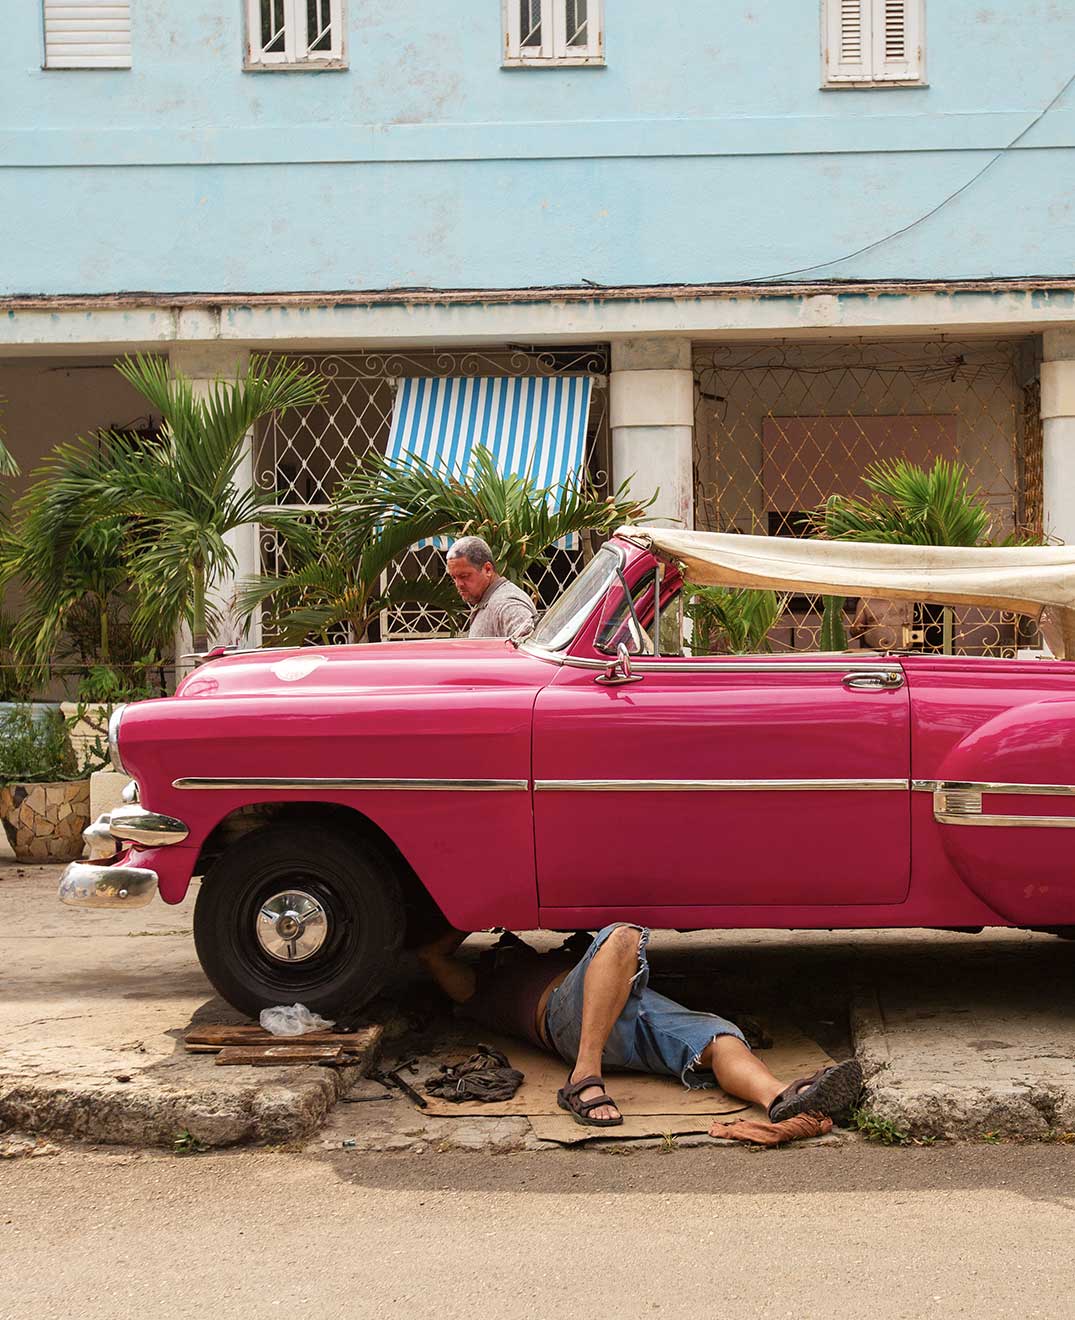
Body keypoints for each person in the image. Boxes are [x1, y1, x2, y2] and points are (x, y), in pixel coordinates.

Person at [417, 922, 863, 1129]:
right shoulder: (481, 985)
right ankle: (585, 1076)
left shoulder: (563, 957)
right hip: (566, 1022)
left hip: (636, 1009)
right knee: (625, 935)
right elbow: (431, 956)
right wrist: (474, 913)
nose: (511, 943)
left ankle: (780, 1098)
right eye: (502, 944)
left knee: (719, 1038)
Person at [446, 536, 538, 640]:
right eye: (454, 577)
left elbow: (527, 650)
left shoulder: (507, 605)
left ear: (488, 569)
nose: (458, 584)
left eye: (464, 576)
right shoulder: (489, 601)